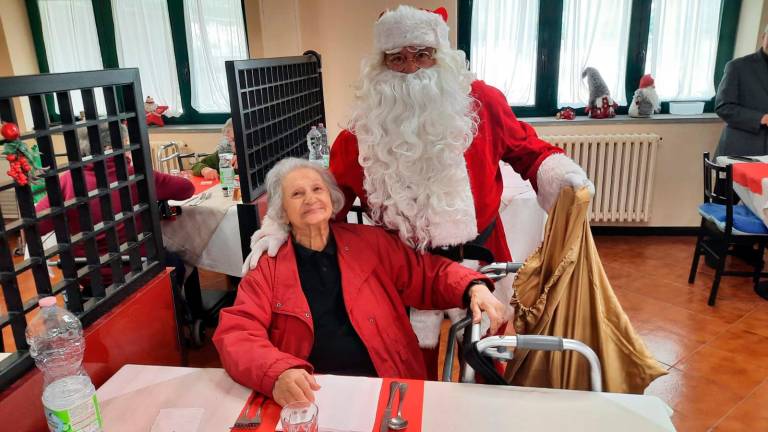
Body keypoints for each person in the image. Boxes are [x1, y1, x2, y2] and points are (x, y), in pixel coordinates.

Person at [242, 5, 594, 370]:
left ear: (440, 56)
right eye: (397, 58)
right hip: (406, 266)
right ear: (381, 65)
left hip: (481, 253)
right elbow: (330, 199)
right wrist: (279, 226)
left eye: (422, 55)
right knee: (408, 358)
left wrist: (561, 178)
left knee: (491, 351)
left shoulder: (481, 104)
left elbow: (528, 149)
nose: (410, 67)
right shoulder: (361, 134)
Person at [213, 158, 506, 406]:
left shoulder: (371, 243)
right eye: (297, 194)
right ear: (281, 212)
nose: (311, 198)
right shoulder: (267, 266)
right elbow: (238, 333)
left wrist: (472, 286)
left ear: (331, 198)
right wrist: (277, 373)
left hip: (386, 380)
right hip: (312, 392)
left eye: (317, 189)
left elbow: (428, 273)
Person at [35, 123, 194, 287]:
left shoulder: (67, 179)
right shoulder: (137, 175)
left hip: (86, 271)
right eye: (125, 143)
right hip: (138, 265)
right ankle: (178, 308)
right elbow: (187, 189)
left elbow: (37, 225)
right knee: (179, 263)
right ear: (112, 147)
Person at [714, 23, 768, 157]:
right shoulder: (738, 67)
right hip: (740, 152)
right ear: (763, 37)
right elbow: (723, 107)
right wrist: (762, 118)